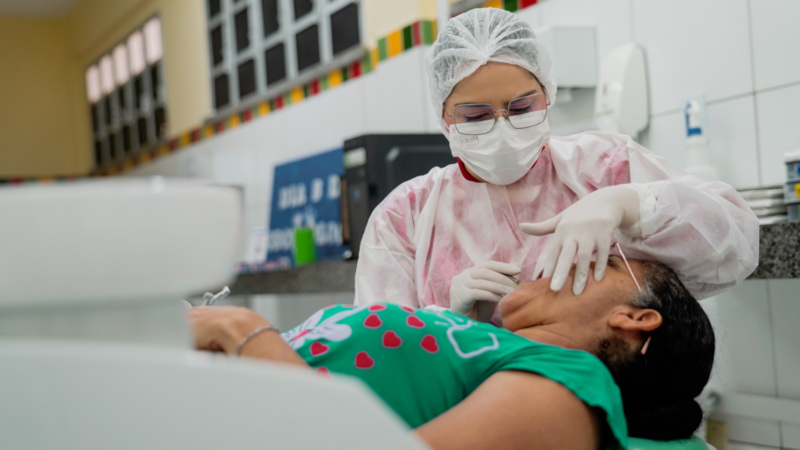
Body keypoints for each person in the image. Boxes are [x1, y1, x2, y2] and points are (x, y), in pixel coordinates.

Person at [352, 7, 758, 322]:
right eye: (475, 116)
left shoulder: (602, 165)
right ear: (444, 118)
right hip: (477, 403)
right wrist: (447, 321)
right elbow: (383, 353)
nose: (502, 128)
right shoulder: (405, 217)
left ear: (547, 95)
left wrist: (628, 204)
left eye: (522, 107)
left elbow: (734, 247)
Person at [189, 252, 715, 449]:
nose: (566, 255)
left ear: (636, 318)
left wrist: (242, 332)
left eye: (606, 260)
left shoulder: (573, 383)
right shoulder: (489, 352)